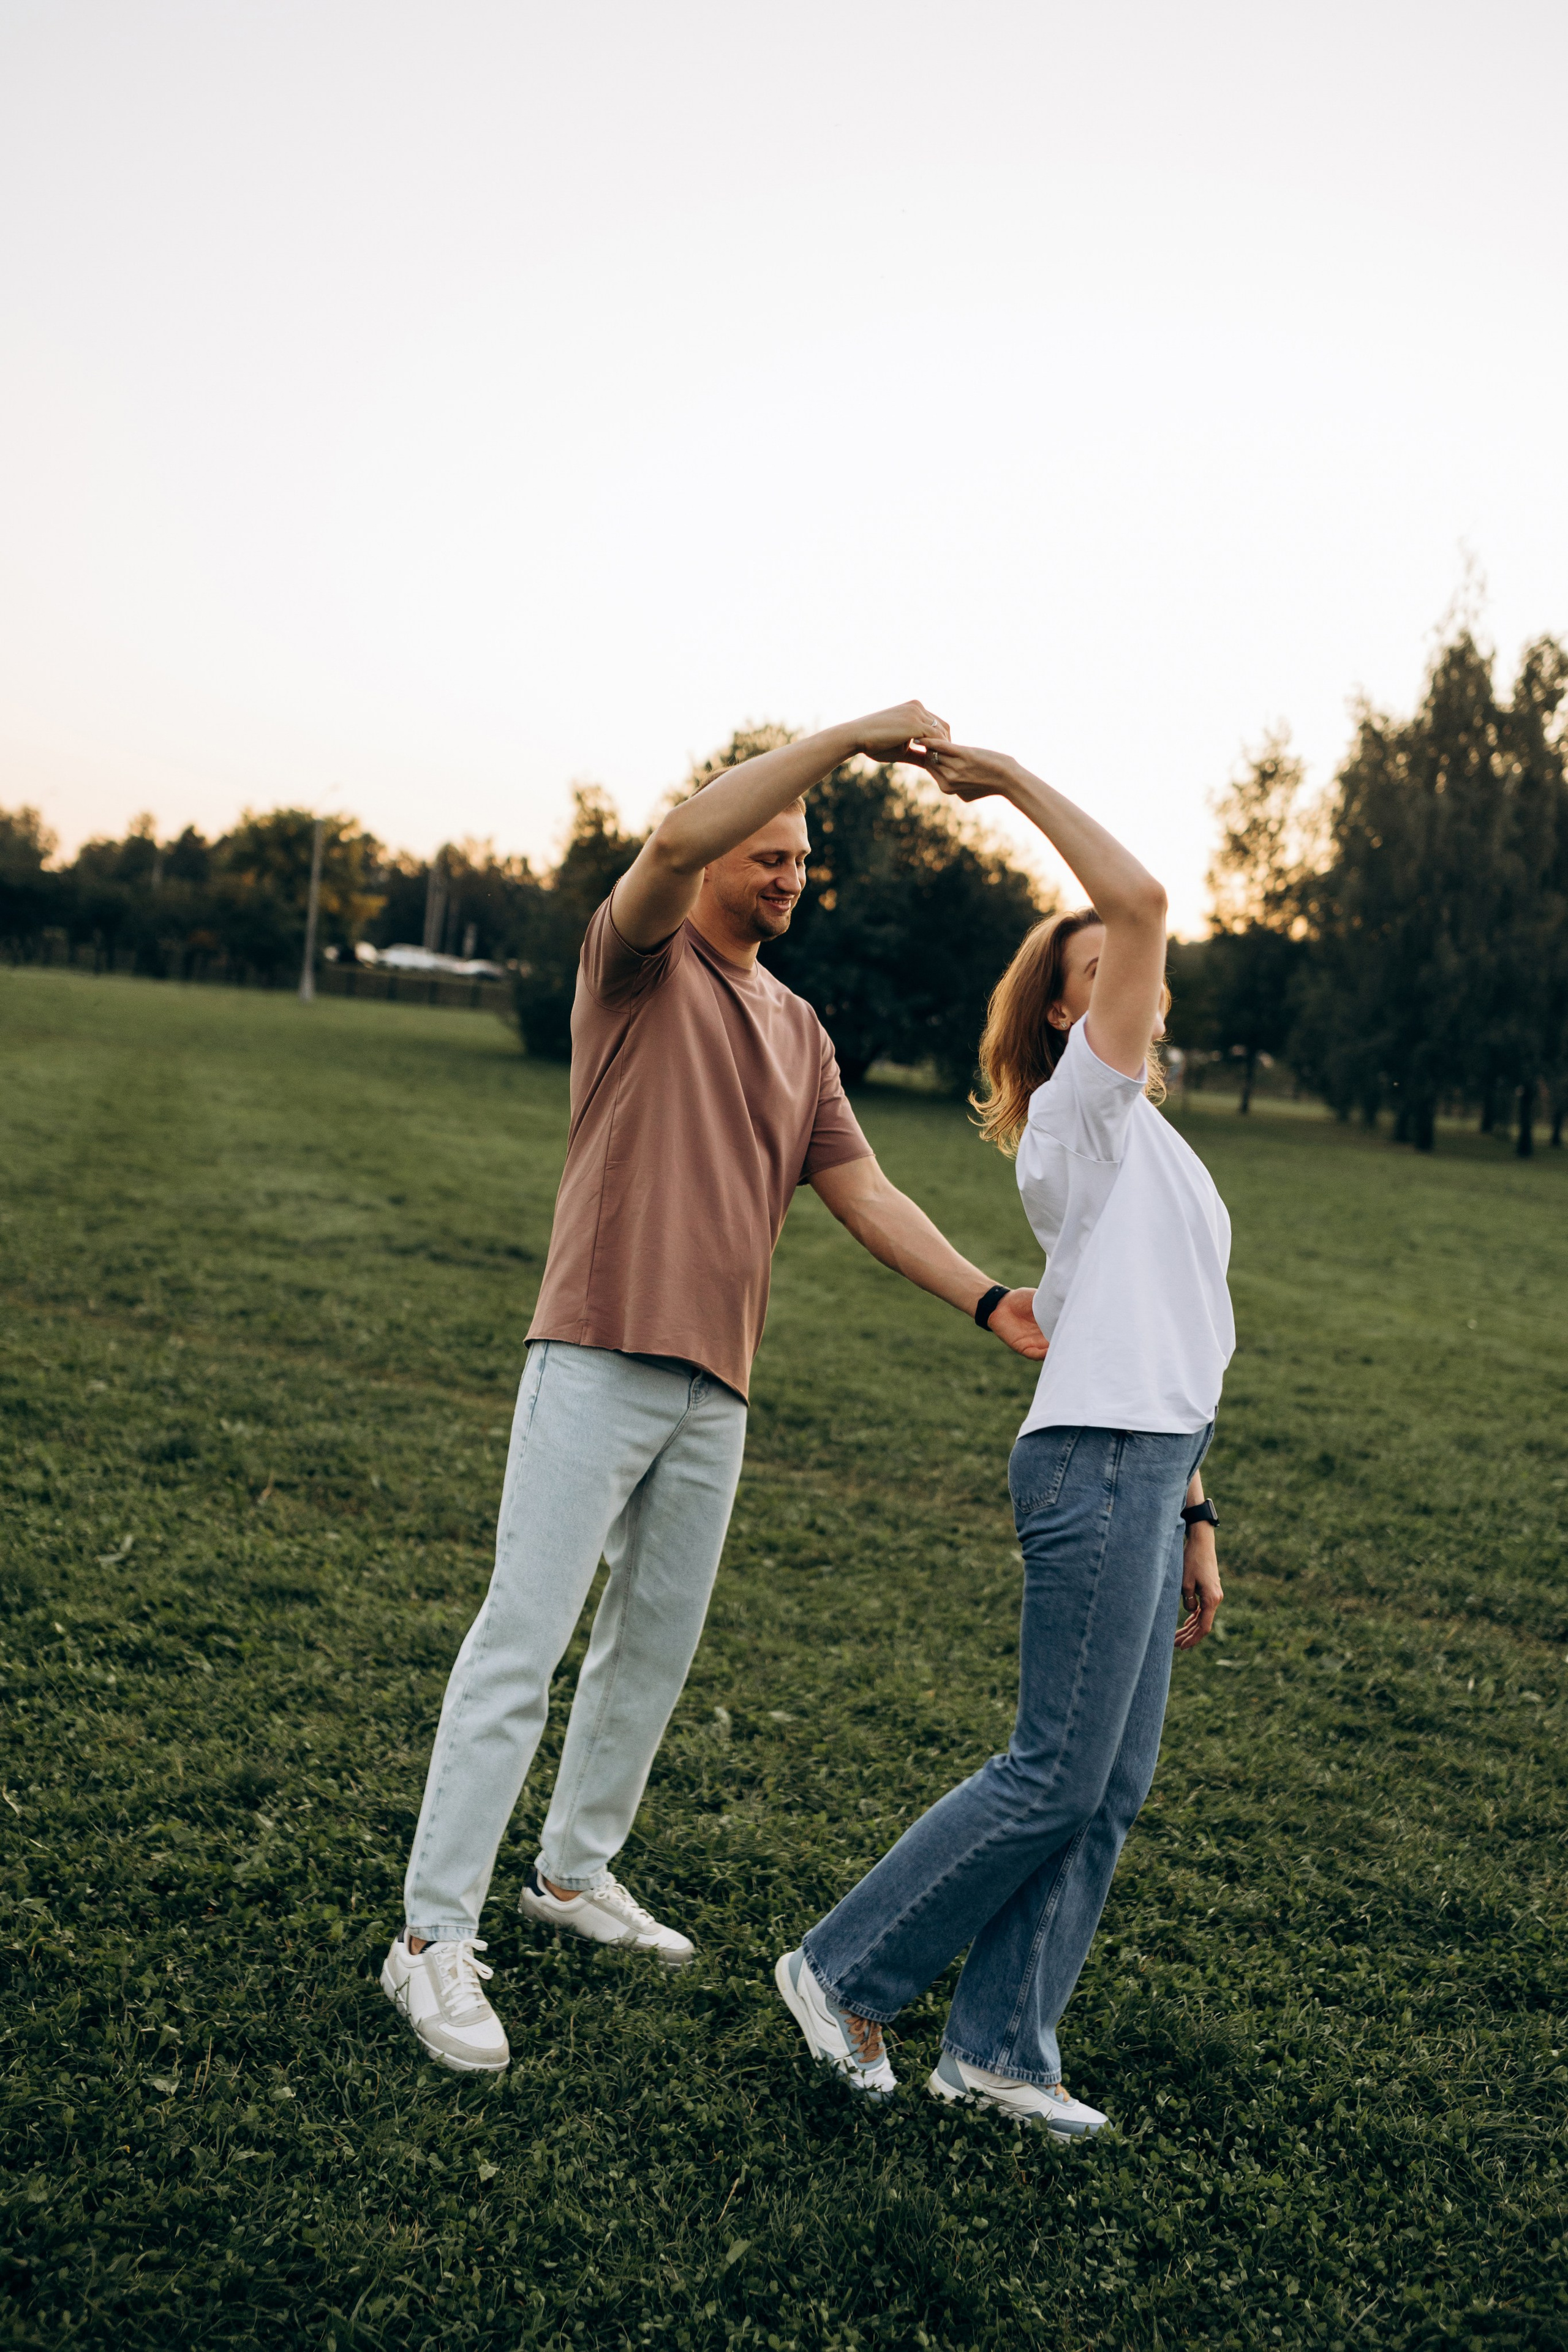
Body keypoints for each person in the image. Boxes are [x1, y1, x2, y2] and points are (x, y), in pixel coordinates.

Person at [381, 704, 1049, 2073]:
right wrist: (852, 738)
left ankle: (570, 1875)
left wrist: (988, 1299)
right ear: (712, 861)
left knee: (653, 1649)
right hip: (593, 1347)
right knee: (524, 1640)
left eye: (804, 859)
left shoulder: (797, 1028)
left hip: (715, 1384)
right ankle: (428, 1940)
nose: (788, 875)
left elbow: (859, 1188)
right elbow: (678, 833)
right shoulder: (634, 960)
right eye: (768, 853)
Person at [775, 740, 1233, 2136]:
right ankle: (841, 1970)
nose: (1132, 982)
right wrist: (1016, 784)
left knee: (1104, 1792)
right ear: (1057, 1015)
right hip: (1093, 1465)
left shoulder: (1142, 1146)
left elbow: (1147, 1336)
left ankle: (998, 2051)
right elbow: (1142, 898)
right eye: (1096, 973)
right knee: (1050, 1772)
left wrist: (1194, 1514)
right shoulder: (1081, 1116)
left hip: (1144, 1463)